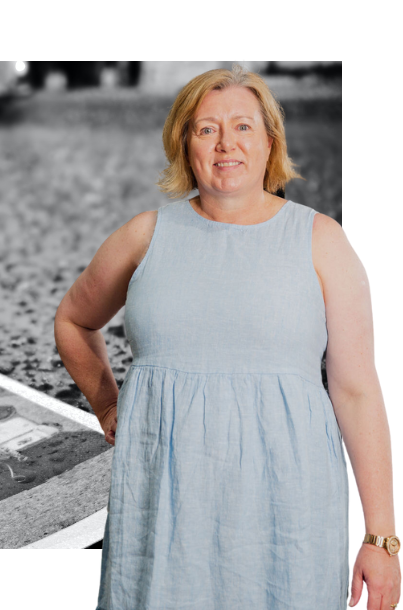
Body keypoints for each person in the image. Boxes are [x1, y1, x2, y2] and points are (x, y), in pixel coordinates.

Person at [53, 65, 399, 609]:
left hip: (289, 521)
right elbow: (73, 320)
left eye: (242, 126)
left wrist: (381, 538)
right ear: (184, 144)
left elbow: (356, 392)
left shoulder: (322, 241)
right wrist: (107, 404)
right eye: (206, 129)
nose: (225, 144)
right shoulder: (144, 236)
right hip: (162, 513)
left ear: (270, 143)